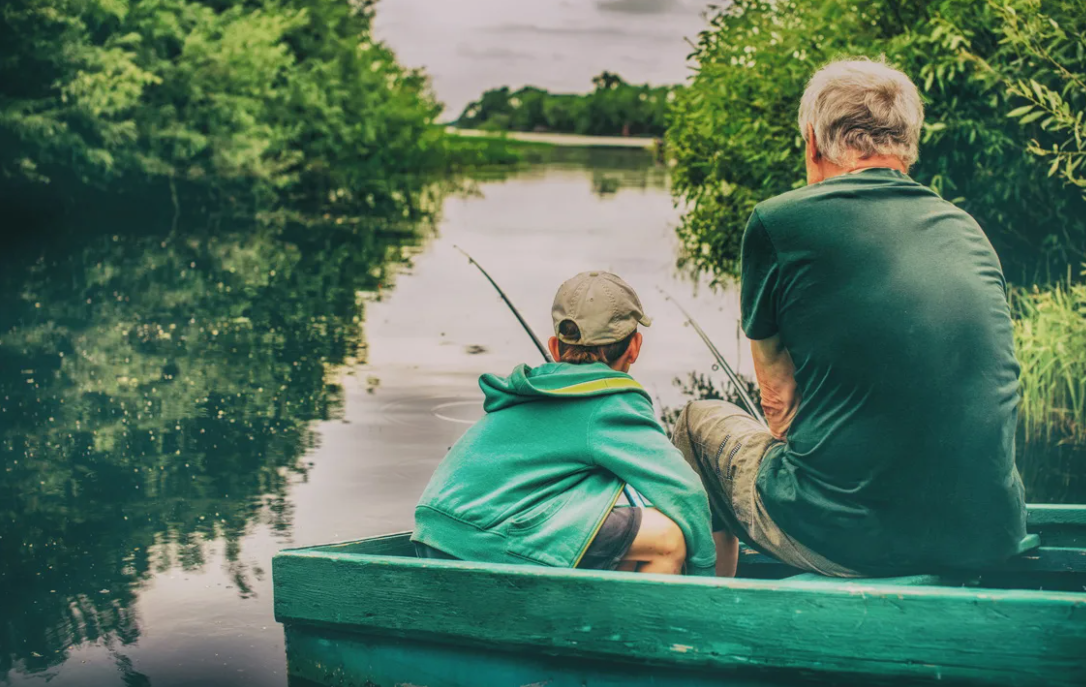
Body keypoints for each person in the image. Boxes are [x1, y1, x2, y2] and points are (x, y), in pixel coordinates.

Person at [674, 59, 1027, 578]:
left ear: (813, 142)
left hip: (853, 543)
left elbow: (779, 405)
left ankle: (709, 606)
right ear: (909, 143)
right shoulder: (966, 228)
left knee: (696, 423)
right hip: (989, 531)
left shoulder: (778, 221)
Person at [412, 271, 717, 575]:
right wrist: (704, 575)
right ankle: (650, 624)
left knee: (621, 527)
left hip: (437, 530)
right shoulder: (611, 400)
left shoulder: (530, 387)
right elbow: (685, 492)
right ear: (635, 347)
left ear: (555, 348)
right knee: (667, 539)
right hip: (483, 539)